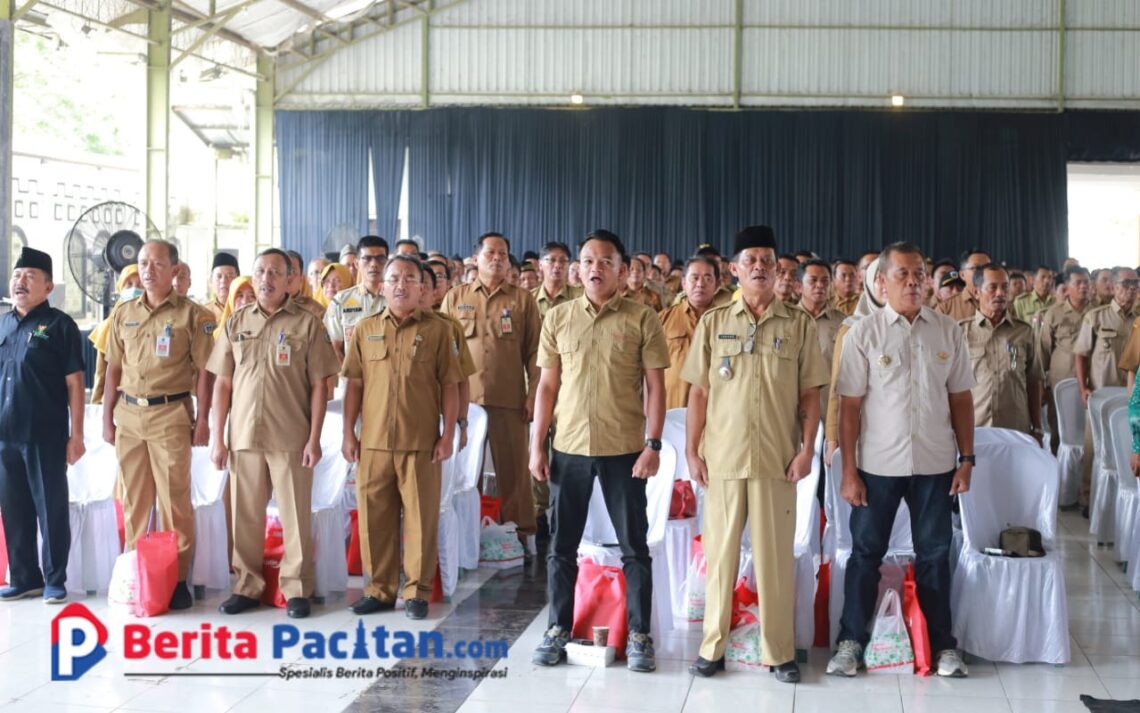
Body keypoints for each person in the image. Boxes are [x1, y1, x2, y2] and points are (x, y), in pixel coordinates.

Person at [682, 226, 826, 683]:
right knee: (720, 558)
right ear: (735, 269)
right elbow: (699, 394)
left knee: (774, 561)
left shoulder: (798, 324)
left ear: (779, 268)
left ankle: (779, 652)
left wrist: (807, 452)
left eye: (768, 260)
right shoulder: (713, 322)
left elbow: (810, 397)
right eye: (751, 260)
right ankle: (712, 648)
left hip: (775, 461)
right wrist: (691, 451)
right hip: (722, 459)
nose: (760, 267)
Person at [830, 242, 975, 679]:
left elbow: (962, 399)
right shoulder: (864, 333)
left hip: (934, 465)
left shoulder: (948, 331)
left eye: (920, 274)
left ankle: (942, 645)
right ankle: (851, 642)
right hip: (877, 467)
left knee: (935, 554)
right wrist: (850, 471)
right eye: (903, 274)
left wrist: (966, 459)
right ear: (882, 281)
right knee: (865, 555)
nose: (913, 282)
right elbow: (849, 407)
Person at [529, 229, 669, 673]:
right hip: (568, 447)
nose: (595, 268)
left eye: (606, 261)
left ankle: (641, 634)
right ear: (578, 268)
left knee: (634, 546)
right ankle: (556, 629)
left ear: (623, 271)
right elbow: (547, 387)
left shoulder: (643, 318)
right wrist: (537, 445)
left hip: (624, 449)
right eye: (588, 260)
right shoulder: (559, 318)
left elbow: (655, 387)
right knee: (561, 547)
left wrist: (653, 444)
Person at [208, 249, 338, 619]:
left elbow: (318, 386)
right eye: (260, 271)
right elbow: (222, 384)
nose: (266, 279)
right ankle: (246, 586)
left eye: (275, 273)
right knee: (245, 515)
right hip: (244, 436)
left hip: (291, 436)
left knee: (296, 514)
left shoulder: (307, 324)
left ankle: (296, 588)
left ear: (290, 280)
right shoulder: (236, 322)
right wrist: (218, 437)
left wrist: (314, 438)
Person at [341, 255, 461, 619]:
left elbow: (451, 385)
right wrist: (349, 432)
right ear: (382, 285)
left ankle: (417, 593)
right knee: (374, 518)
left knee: (421, 520)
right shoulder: (365, 329)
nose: (401, 285)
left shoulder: (441, 330)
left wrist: (448, 434)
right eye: (394, 278)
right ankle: (378, 590)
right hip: (374, 441)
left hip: (421, 442)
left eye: (410, 279)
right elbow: (355, 385)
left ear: (422, 287)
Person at [102, 239, 215, 610]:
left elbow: (204, 373)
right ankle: (137, 572)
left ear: (175, 270)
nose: (147, 270)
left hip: (171, 414)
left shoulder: (192, 315)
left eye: (157, 263)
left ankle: (178, 577)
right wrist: (107, 417)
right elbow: (113, 368)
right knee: (134, 501)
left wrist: (203, 421)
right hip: (129, 416)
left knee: (174, 500)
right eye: (142, 263)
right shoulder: (123, 312)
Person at [442, 233, 542, 547]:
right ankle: (459, 533)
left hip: (508, 399)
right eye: (490, 252)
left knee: (513, 471)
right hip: (464, 403)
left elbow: (536, 353)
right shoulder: (456, 297)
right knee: (459, 471)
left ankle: (520, 533)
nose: (496, 258)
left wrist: (532, 396)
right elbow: (442, 352)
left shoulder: (522, 300)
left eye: (503, 253)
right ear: (477, 258)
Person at [0, 247, 86, 603]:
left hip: (45, 433)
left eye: (30, 277)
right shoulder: (3, 321)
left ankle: (54, 579)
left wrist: (77, 435)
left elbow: (75, 383)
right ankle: (24, 577)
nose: (21, 282)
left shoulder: (60, 325)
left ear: (48, 287)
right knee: (13, 508)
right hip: (5, 434)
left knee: (49, 508)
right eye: (18, 276)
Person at [1074, 266, 1138, 511]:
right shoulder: (1096, 317)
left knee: (1127, 445)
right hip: (1101, 395)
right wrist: (1083, 388)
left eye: (1136, 284)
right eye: (1126, 284)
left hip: (1131, 397)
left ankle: (1125, 500)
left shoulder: (1139, 319)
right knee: (1094, 449)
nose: (1131, 289)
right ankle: (1088, 497)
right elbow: (1081, 355)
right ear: (1112, 286)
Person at [530, 241, 582, 538]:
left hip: (571, 392)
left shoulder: (579, 299)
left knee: (565, 458)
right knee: (537, 451)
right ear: (541, 265)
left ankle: (565, 517)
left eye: (564, 261)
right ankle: (538, 515)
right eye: (551, 260)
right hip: (537, 387)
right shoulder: (527, 302)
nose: (558, 266)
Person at [959, 264, 1043, 440]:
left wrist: (1037, 426)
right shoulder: (961, 332)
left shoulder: (1024, 331)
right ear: (976, 292)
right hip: (975, 427)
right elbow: (950, 386)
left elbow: (1034, 381)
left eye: (1005, 287)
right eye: (992, 287)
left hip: (1016, 427)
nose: (1000, 293)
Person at [1036, 266, 1092, 455]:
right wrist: (1041, 384)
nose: (1084, 286)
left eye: (1087, 282)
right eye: (1079, 283)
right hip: (1060, 382)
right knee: (1058, 428)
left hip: (1091, 383)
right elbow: (1043, 350)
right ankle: (1057, 471)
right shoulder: (1054, 313)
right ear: (1067, 287)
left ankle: (1084, 477)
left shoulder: (1097, 311)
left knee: (1087, 431)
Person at [659, 256, 720, 411]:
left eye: (707, 278)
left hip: (713, 409)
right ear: (684, 283)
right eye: (694, 278)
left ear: (717, 285)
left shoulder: (727, 322)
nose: (700, 284)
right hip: (671, 407)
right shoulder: (663, 319)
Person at [326, 236, 389, 362]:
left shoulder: (397, 299)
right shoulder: (341, 301)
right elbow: (333, 347)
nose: (374, 264)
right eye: (367, 258)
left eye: (380, 259)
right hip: (353, 376)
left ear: (388, 262)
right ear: (356, 263)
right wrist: (349, 375)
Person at [797, 258, 846, 419]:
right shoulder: (786, 320)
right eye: (813, 281)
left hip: (830, 408)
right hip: (793, 407)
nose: (820, 285)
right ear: (799, 286)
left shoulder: (843, 323)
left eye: (825, 281)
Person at [89, 264, 143, 404]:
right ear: (120, 289)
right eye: (129, 284)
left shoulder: (155, 321)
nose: (134, 289)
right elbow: (101, 372)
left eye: (140, 284)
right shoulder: (109, 325)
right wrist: (97, 402)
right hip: (115, 401)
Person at [935, 248, 990, 321]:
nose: (983, 272)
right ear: (962, 275)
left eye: (988, 267)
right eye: (976, 268)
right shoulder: (945, 308)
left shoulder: (1002, 304)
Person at [284, 250, 328, 320]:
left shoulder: (317, 312)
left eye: (293, 271)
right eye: (283, 271)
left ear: (301, 277)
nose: (288, 276)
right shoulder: (266, 307)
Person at [204, 252, 240, 323]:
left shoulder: (246, 309)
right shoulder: (203, 311)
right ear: (210, 282)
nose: (223, 281)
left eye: (229, 276)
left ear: (238, 279)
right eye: (219, 276)